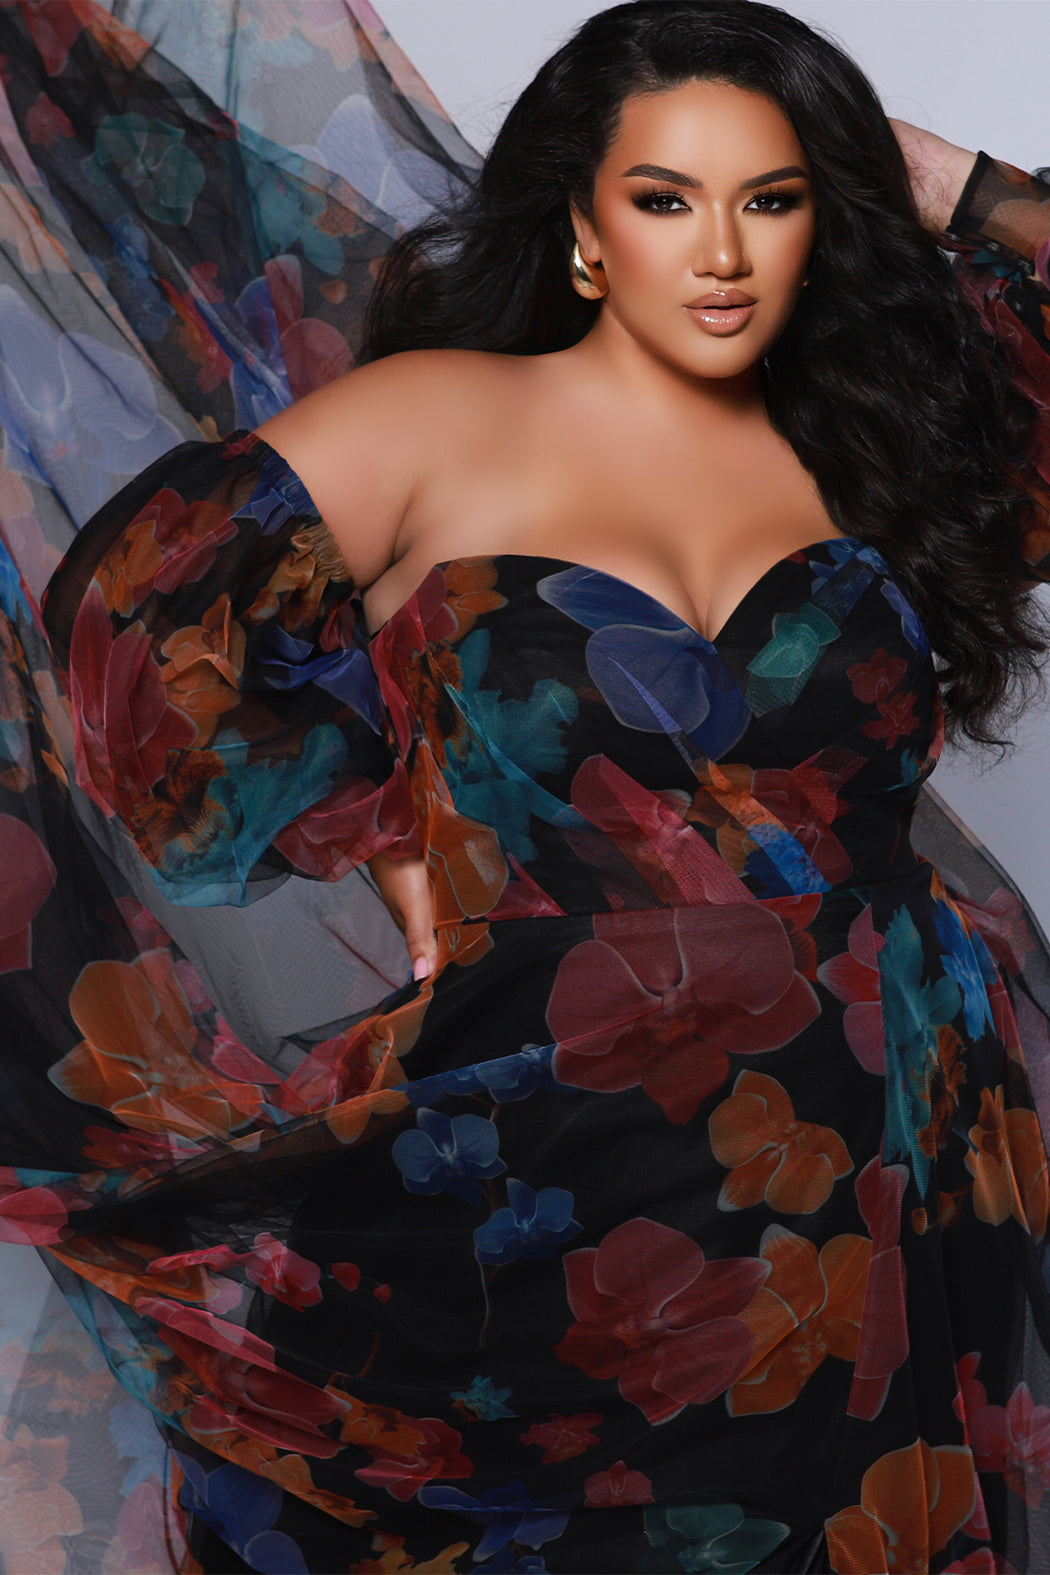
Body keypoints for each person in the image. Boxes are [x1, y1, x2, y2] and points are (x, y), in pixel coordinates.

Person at [4, 0, 1050, 1570]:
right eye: (664, 198)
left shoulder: (875, 441)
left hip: (900, 1127)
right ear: (578, 224)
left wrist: (931, 172)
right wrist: (398, 839)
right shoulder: (431, 421)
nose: (720, 252)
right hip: (566, 1157)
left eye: (770, 201)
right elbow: (139, 652)